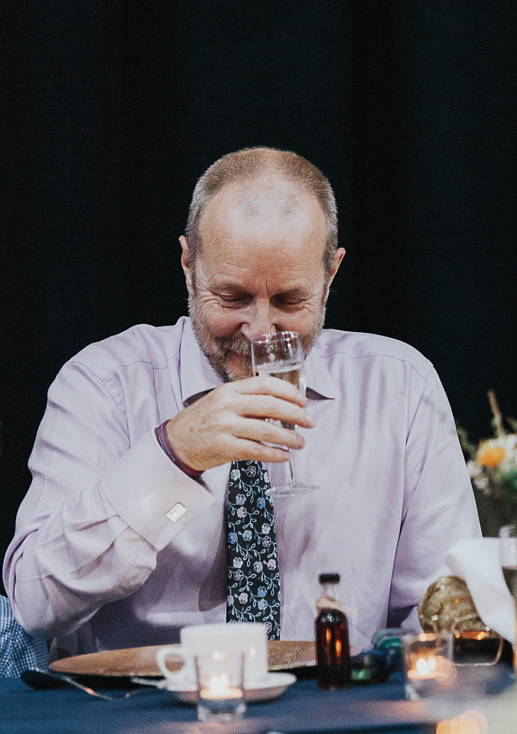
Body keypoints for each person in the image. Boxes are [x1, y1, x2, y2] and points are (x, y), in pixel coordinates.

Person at [4, 147, 480, 658]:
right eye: (231, 298)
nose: (260, 332)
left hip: (337, 710)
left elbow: (443, 604)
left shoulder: (400, 386)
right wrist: (172, 456)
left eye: (289, 301)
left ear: (331, 276)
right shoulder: (102, 384)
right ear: (189, 265)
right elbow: (36, 602)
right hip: (141, 714)